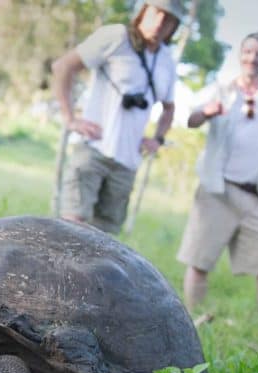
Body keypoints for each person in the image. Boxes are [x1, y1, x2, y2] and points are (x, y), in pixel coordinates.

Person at [177, 32, 258, 340]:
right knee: (200, 262)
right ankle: (192, 330)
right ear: (241, 55)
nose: (253, 58)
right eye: (248, 51)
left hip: (257, 196)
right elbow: (191, 120)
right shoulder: (221, 90)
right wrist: (206, 112)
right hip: (218, 190)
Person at [51, 0, 184, 234]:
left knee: (104, 241)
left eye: (169, 19)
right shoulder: (115, 37)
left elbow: (169, 109)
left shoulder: (166, 62)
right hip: (93, 149)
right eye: (157, 13)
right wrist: (70, 118)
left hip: (127, 162)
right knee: (71, 230)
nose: (161, 23)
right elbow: (63, 67)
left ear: (174, 27)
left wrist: (158, 139)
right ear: (143, 12)